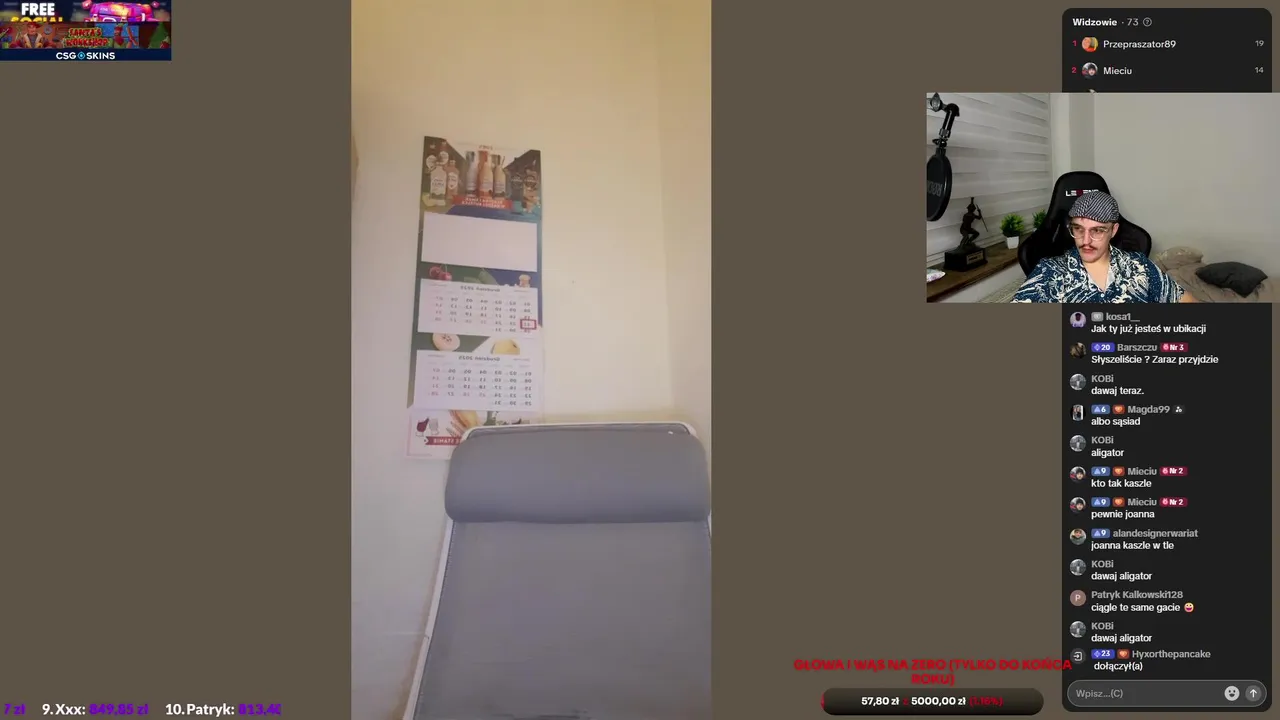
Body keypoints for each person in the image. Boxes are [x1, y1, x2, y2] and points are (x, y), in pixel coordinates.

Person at [1013, 192, 1195, 303]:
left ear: (1113, 230)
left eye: (1098, 230)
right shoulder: (1049, 271)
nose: (1085, 241)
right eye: (1078, 229)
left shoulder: (1139, 266)